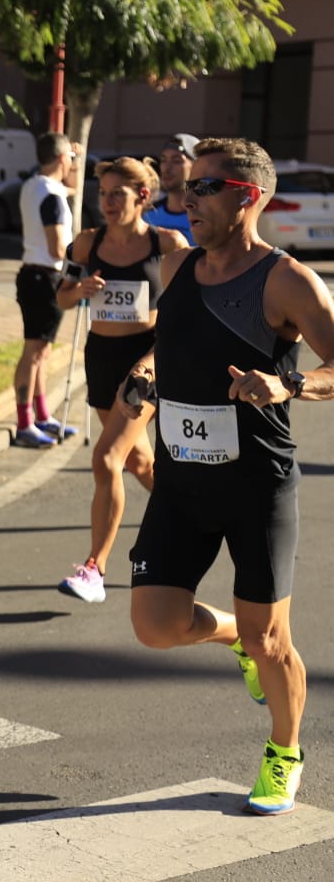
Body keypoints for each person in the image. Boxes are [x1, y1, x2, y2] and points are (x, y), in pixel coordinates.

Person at [124, 136, 334, 816]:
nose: (187, 199)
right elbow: (173, 339)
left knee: (271, 639)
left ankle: (285, 751)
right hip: (182, 481)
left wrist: (288, 384)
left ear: (248, 198)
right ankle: (230, 637)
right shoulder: (179, 264)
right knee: (155, 625)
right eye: (186, 187)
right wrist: (146, 371)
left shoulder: (286, 280)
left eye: (204, 188)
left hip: (256, 486)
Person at [55, 157, 189, 603]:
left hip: (146, 362)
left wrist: (156, 358)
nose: (108, 202)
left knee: (107, 458)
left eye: (118, 194)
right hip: (102, 358)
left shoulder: (167, 243)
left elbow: (187, 308)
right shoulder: (86, 243)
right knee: (139, 462)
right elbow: (61, 297)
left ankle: (95, 569)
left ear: (142, 197)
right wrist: (80, 292)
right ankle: (191, 516)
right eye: (104, 194)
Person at [12, 132, 85, 448]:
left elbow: (74, 188)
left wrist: (76, 161)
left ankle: (41, 416)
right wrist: (79, 264)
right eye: (70, 157)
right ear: (61, 158)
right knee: (34, 352)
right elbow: (58, 248)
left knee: (41, 351)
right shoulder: (52, 196)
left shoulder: (34, 185)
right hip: (45, 277)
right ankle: (25, 423)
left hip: (34, 275)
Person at [143, 133, 199, 245]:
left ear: (196, 167)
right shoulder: (147, 215)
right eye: (163, 160)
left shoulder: (206, 218)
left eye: (176, 161)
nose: (167, 168)